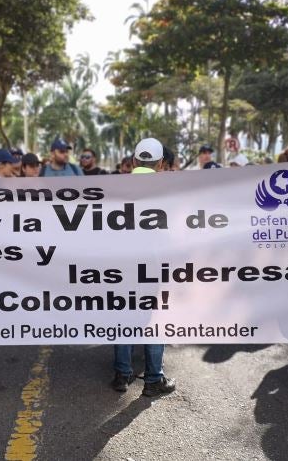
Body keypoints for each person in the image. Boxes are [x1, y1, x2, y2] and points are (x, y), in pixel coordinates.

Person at [112, 137, 176, 397]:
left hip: (120, 265)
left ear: (134, 161)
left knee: (122, 315)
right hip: (155, 265)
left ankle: (122, 373)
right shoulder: (170, 191)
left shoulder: (113, 188)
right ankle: (153, 378)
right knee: (156, 320)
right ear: (160, 163)